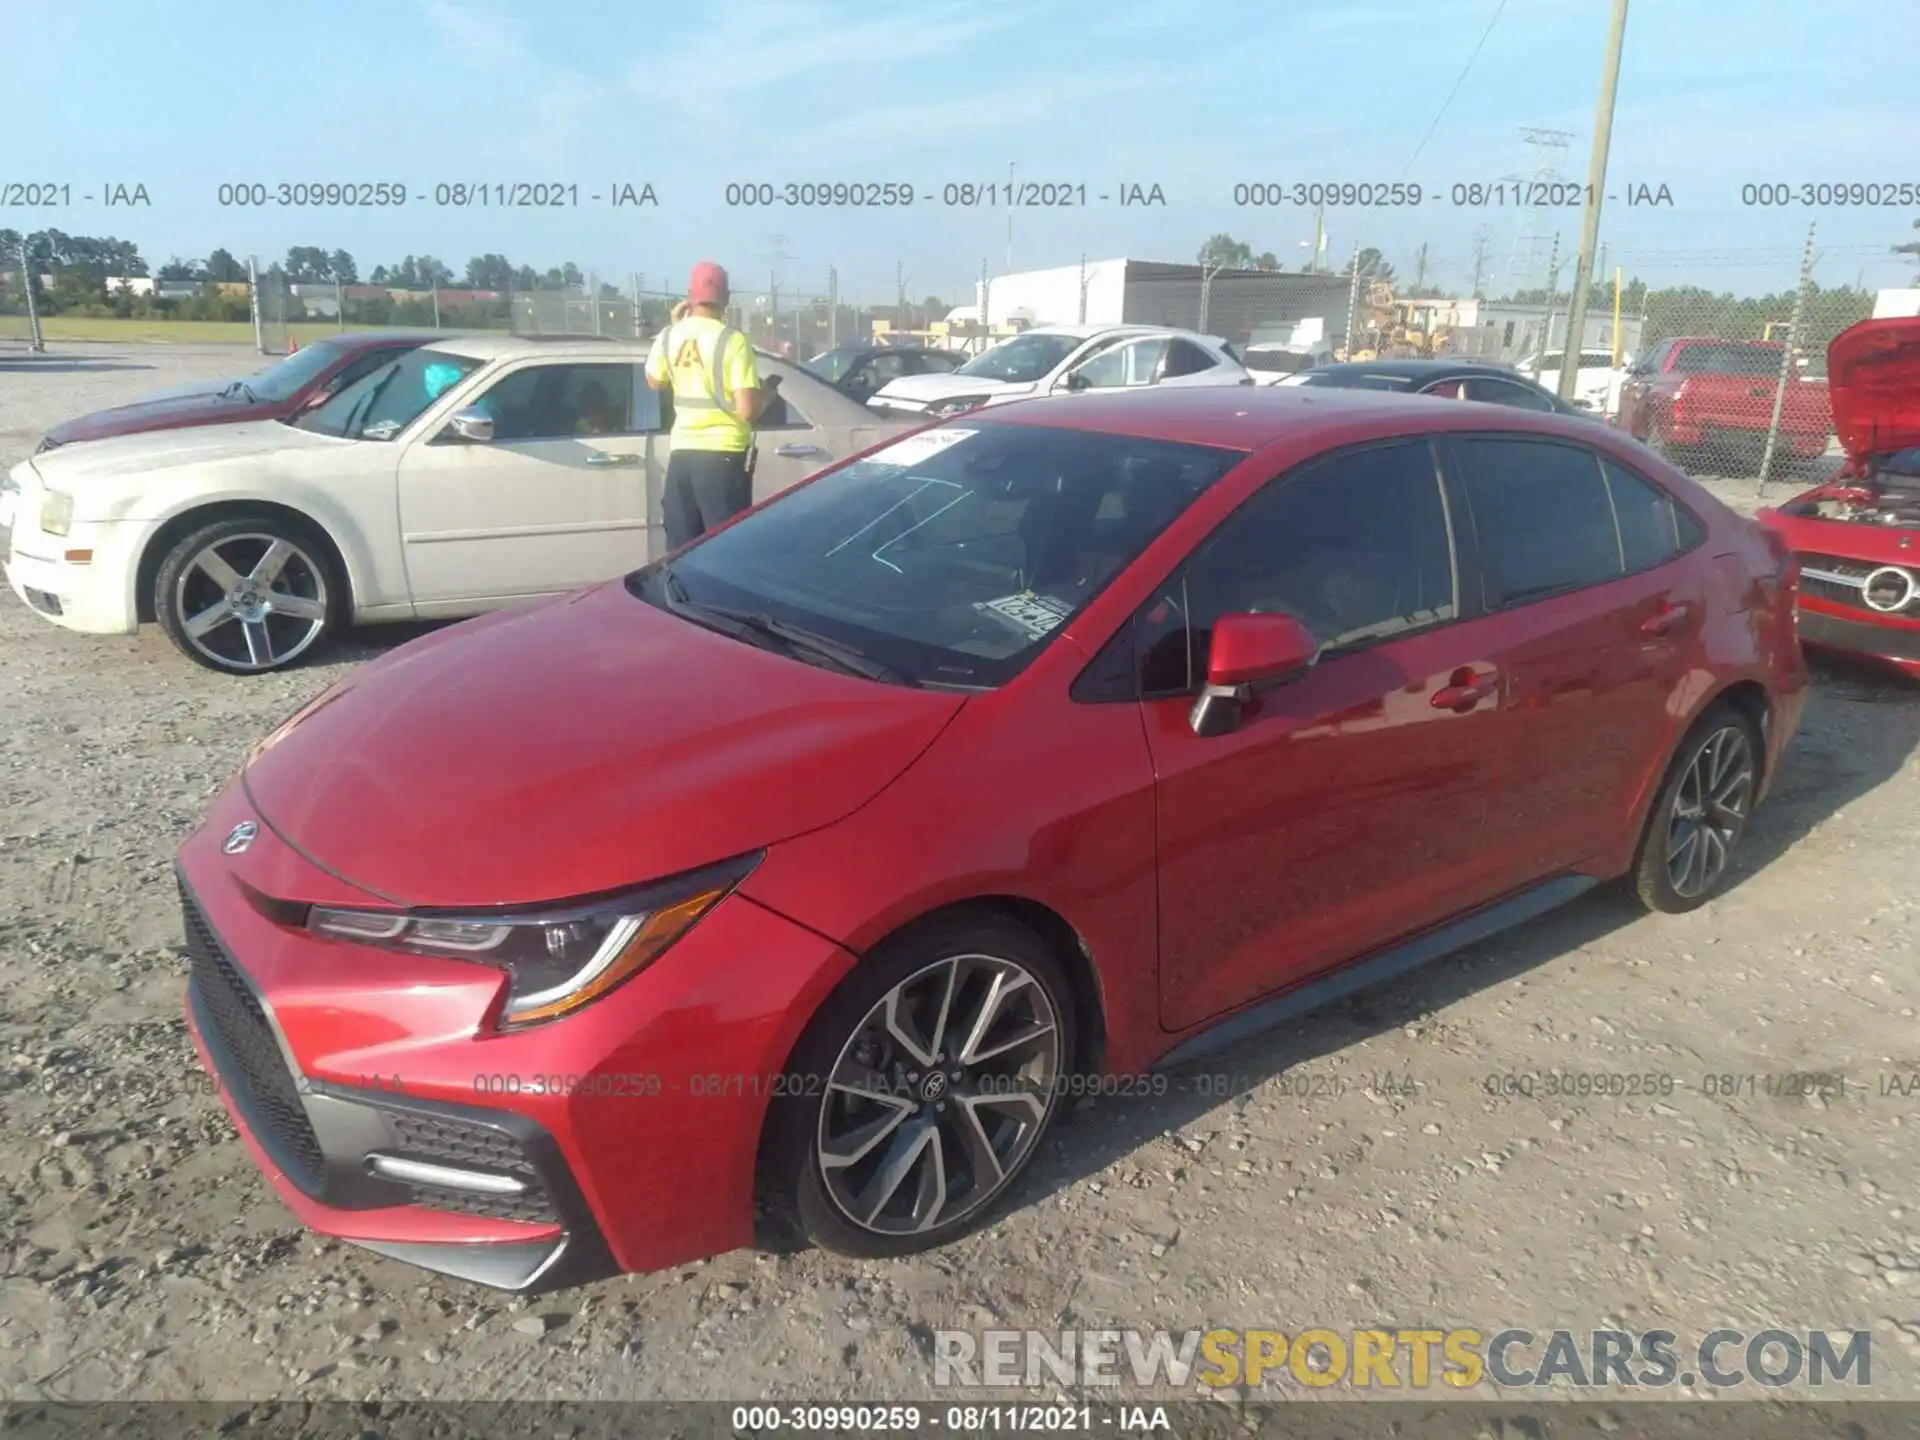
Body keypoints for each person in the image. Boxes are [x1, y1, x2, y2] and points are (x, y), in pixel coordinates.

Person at [646, 262, 762, 548]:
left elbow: (654, 381)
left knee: (682, 550)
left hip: (682, 456)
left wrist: (677, 327)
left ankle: (680, 596)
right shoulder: (732, 341)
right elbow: (747, 410)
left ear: (689, 295)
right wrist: (767, 395)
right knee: (725, 550)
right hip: (723, 457)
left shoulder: (668, 336)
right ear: (727, 297)